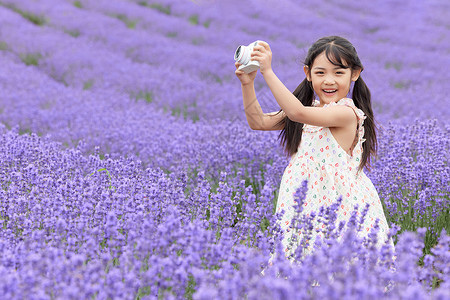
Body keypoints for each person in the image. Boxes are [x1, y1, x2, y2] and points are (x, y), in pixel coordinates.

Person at [235, 36, 394, 259]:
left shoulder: (346, 113)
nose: (329, 80)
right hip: (302, 204)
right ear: (307, 73)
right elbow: (258, 122)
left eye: (339, 73)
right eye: (320, 73)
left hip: (338, 207)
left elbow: (297, 113)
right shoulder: (309, 111)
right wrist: (247, 84)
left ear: (355, 74)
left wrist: (268, 72)